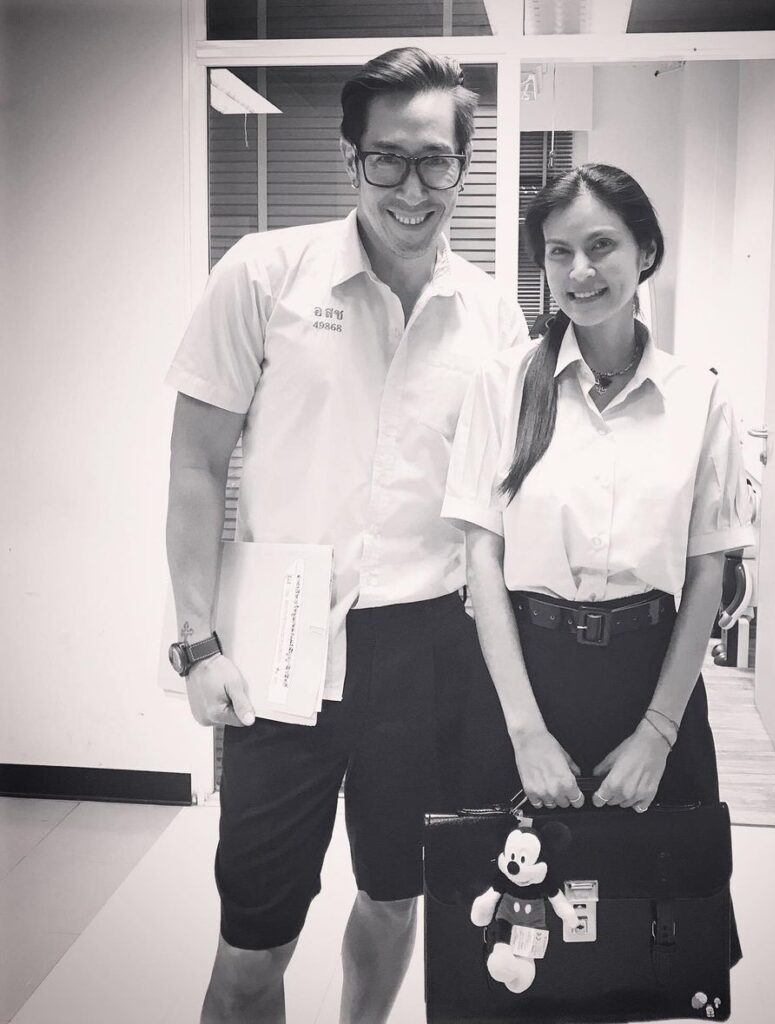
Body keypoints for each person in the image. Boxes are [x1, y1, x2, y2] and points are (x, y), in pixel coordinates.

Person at [164, 47, 529, 1024]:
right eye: (387, 159)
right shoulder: (263, 274)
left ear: (461, 166)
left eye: (434, 161)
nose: (411, 188)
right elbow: (196, 466)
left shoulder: (492, 316)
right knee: (254, 940)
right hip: (280, 649)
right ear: (350, 158)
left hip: (430, 650)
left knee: (396, 895)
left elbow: (509, 500)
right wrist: (198, 641)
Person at [442, 163, 754, 963]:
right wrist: (526, 734)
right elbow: (483, 561)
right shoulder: (501, 387)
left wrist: (657, 733)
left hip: (651, 678)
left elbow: (707, 576)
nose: (579, 271)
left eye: (602, 246)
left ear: (646, 251)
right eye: (558, 251)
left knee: (649, 933)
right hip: (525, 680)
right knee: (507, 939)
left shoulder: (700, 398)